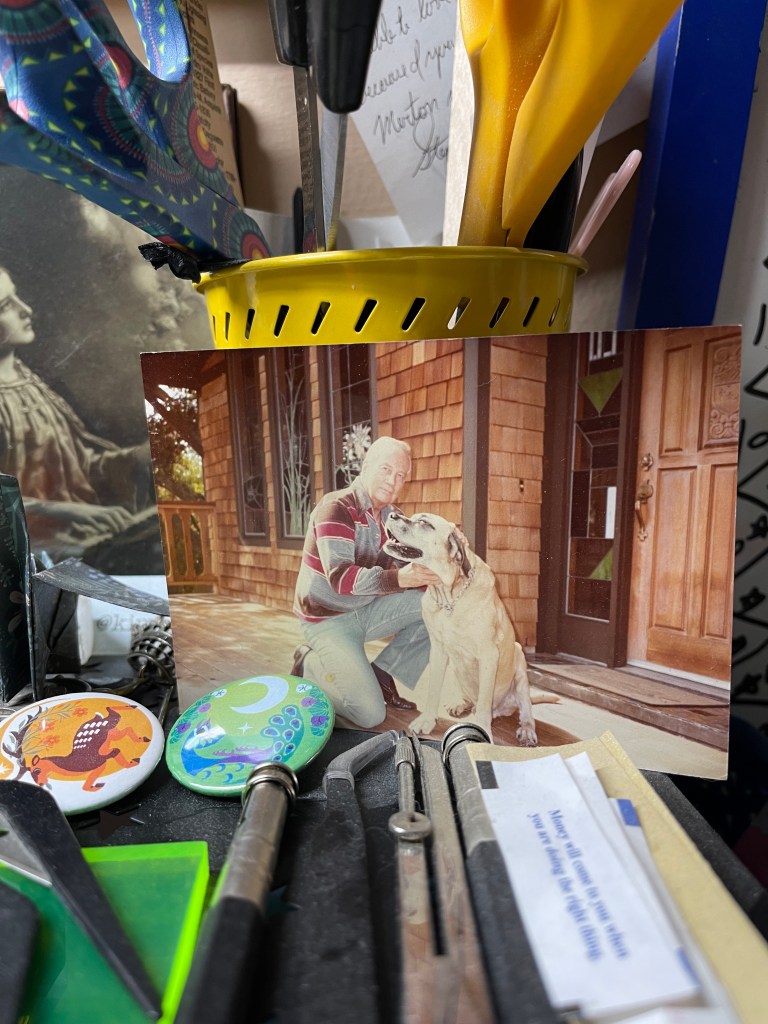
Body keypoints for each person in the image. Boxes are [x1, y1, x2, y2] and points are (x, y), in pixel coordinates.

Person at [0, 265, 153, 564]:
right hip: (27, 557)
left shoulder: (28, 381)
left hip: (80, 539)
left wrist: (139, 456)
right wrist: (70, 512)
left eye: (17, 297)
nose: (26, 310)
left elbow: (79, 468)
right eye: (6, 305)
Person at [291, 435, 442, 729]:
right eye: (386, 469)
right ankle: (307, 664)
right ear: (366, 465)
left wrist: (435, 579)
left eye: (401, 476)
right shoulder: (335, 507)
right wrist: (401, 578)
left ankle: (383, 674)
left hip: (367, 609)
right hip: (327, 620)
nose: (393, 481)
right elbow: (341, 578)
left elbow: (410, 565)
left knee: (432, 606)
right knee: (370, 714)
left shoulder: (393, 518)